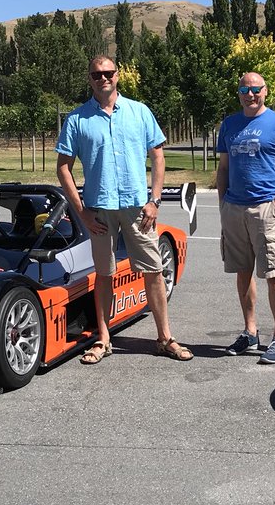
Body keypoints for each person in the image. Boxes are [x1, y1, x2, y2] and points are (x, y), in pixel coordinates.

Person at [55, 55, 193, 364]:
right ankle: (103, 339)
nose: (103, 78)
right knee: (103, 274)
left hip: (136, 208)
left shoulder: (139, 112)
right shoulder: (77, 120)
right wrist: (82, 212)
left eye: (108, 73)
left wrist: (154, 200)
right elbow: (63, 168)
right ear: (89, 79)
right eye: (96, 74)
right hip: (99, 210)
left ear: (118, 75)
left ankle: (164, 337)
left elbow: (158, 155)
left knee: (154, 271)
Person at [215, 71, 275, 365]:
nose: (250, 94)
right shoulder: (229, 125)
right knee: (242, 271)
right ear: (238, 93)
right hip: (234, 209)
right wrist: (223, 202)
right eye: (244, 89)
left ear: (265, 92)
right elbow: (223, 167)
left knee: (273, 273)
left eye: (255, 89)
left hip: (265, 208)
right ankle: (250, 332)